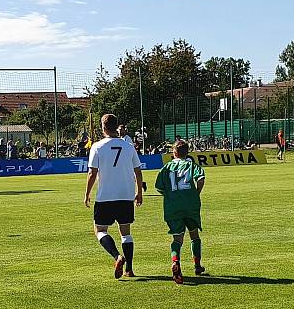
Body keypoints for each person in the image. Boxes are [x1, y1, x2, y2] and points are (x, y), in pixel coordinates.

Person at [84, 113, 144, 279]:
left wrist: (87, 194)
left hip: (105, 197)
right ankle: (129, 270)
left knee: (100, 230)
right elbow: (138, 171)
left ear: (103, 128)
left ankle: (117, 256)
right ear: (117, 127)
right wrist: (139, 192)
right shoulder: (128, 146)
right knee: (125, 233)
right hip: (126, 195)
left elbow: (92, 173)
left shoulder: (97, 146)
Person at [155, 139, 206, 284]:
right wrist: (196, 193)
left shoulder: (166, 167)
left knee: (177, 239)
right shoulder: (191, 165)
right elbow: (201, 178)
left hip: (173, 207)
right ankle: (197, 266)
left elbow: (159, 187)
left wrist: (171, 195)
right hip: (191, 205)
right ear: (187, 152)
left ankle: (176, 261)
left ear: (174, 152)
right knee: (194, 235)